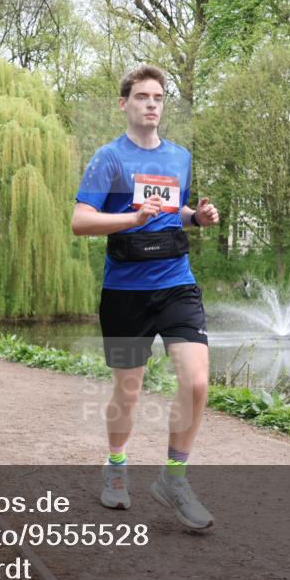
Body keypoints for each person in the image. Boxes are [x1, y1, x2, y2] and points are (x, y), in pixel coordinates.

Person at [71, 65, 220, 530]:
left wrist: (197, 217)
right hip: (125, 292)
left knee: (196, 383)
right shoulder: (108, 158)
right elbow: (80, 220)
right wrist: (130, 221)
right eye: (142, 97)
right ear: (124, 104)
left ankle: (174, 478)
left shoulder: (179, 157)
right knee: (128, 391)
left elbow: (172, 211)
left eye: (158, 97)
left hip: (176, 282)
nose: (151, 104)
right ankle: (116, 468)